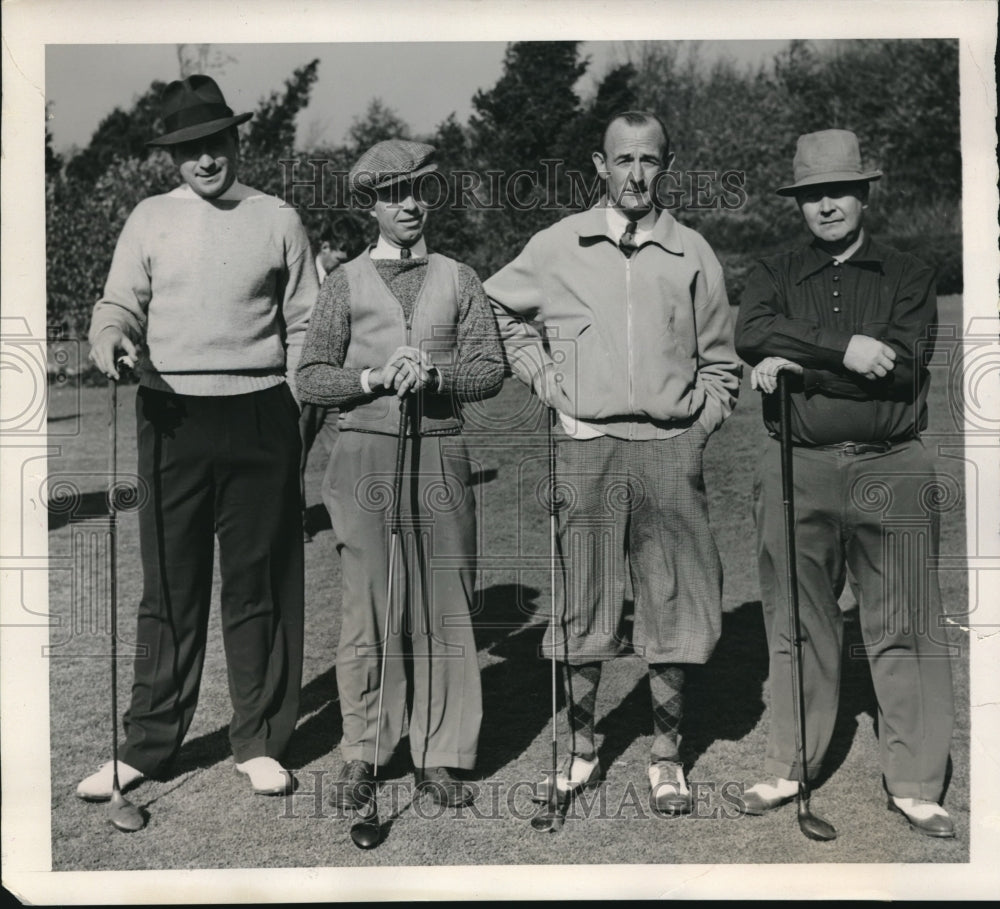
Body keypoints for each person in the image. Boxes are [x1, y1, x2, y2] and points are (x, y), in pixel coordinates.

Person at [485, 111, 741, 814]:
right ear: (599, 166)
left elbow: (723, 364)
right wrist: (541, 373)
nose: (635, 174)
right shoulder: (559, 243)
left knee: (671, 602)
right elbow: (496, 308)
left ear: (666, 165)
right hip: (585, 444)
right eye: (622, 160)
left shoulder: (692, 251)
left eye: (649, 161)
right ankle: (581, 748)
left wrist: (698, 427)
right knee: (585, 602)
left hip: (668, 452)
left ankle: (666, 756)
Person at [78, 75, 316, 801]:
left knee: (259, 585)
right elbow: (119, 302)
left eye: (216, 143)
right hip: (170, 413)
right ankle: (147, 744)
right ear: (172, 158)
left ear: (236, 139)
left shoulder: (278, 216)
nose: (206, 160)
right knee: (170, 588)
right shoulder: (148, 218)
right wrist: (111, 336)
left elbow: (307, 318)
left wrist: (298, 395)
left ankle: (262, 739)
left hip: (261, 412)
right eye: (189, 150)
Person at [734, 129, 955, 838]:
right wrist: (837, 349)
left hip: (891, 462)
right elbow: (751, 332)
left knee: (906, 621)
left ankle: (915, 779)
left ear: (863, 193)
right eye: (811, 195)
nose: (825, 205)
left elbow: (896, 366)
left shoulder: (911, 273)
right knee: (798, 619)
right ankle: (792, 762)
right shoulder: (771, 270)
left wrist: (794, 361)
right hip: (796, 460)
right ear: (798, 203)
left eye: (838, 191)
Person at [296, 139, 505, 808]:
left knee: (445, 605)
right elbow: (310, 376)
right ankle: (366, 750)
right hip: (363, 455)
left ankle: (439, 752)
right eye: (392, 195)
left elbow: (490, 368)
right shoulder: (342, 282)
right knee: (368, 606)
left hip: (440, 449)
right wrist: (371, 376)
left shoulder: (460, 277)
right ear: (371, 206)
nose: (408, 204)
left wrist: (437, 373)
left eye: (416, 190)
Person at [300, 231, 348, 542]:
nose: (339, 265)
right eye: (337, 258)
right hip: (303, 385)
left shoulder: (341, 281)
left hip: (333, 383)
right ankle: (297, 524)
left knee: (345, 452)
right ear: (325, 248)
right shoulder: (302, 278)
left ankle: (349, 517)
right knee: (296, 455)